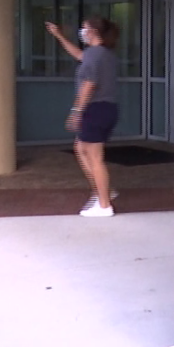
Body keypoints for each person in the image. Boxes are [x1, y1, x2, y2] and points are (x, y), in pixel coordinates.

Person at [46, 17, 120, 217]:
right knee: (81, 148)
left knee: (94, 157)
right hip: (106, 109)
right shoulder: (103, 54)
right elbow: (79, 55)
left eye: (84, 28)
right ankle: (103, 190)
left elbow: (89, 84)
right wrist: (59, 36)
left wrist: (77, 111)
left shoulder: (95, 55)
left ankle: (104, 204)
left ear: (94, 31)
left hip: (94, 109)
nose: (82, 32)